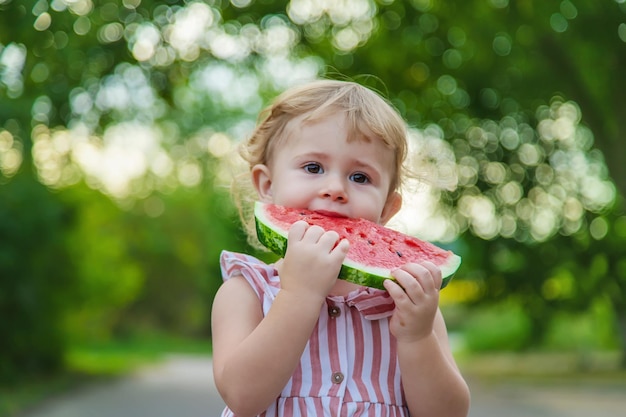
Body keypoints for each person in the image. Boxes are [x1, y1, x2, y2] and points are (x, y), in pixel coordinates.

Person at [211, 79, 470, 417]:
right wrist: (299, 295)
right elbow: (242, 396)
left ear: (387, 209)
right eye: (313, 167)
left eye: (360, 177)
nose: (335, 188)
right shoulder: (245, 291)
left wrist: (417, 339)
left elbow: (447, 414)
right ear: (267, 185)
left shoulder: (408, 303)